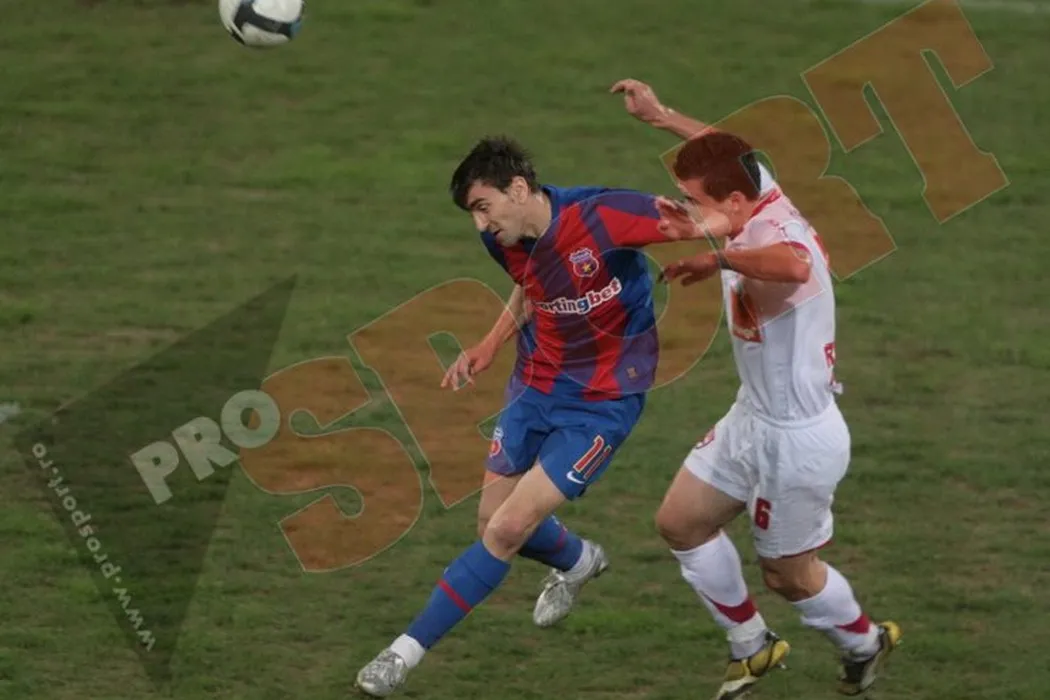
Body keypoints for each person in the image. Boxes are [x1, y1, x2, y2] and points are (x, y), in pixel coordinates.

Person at [355, 136, 724, 697]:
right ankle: (579, 561)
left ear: (519, 189)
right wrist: (489, 344)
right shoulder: (502, 239)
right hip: (533, 389)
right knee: (491, 522)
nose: (480, 225)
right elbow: (530, 289)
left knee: (507, 529)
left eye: (483, 207)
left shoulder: (604, 215)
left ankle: (400, 655)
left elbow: (711, 221)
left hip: (601, 405)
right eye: (472, 213)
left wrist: (728, 238)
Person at [611, 79, 901, 699]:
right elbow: (737, 152)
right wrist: (662, 117)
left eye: (695, 202)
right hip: (752, 417)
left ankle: (864, 640)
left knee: (788, 578)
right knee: (680, 523)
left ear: (738, 202)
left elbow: (794, 266)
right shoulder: (757, 193)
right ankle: (752, 645)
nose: (686, 211)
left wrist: (716, 257)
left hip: (799, 439)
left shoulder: (776, 237)